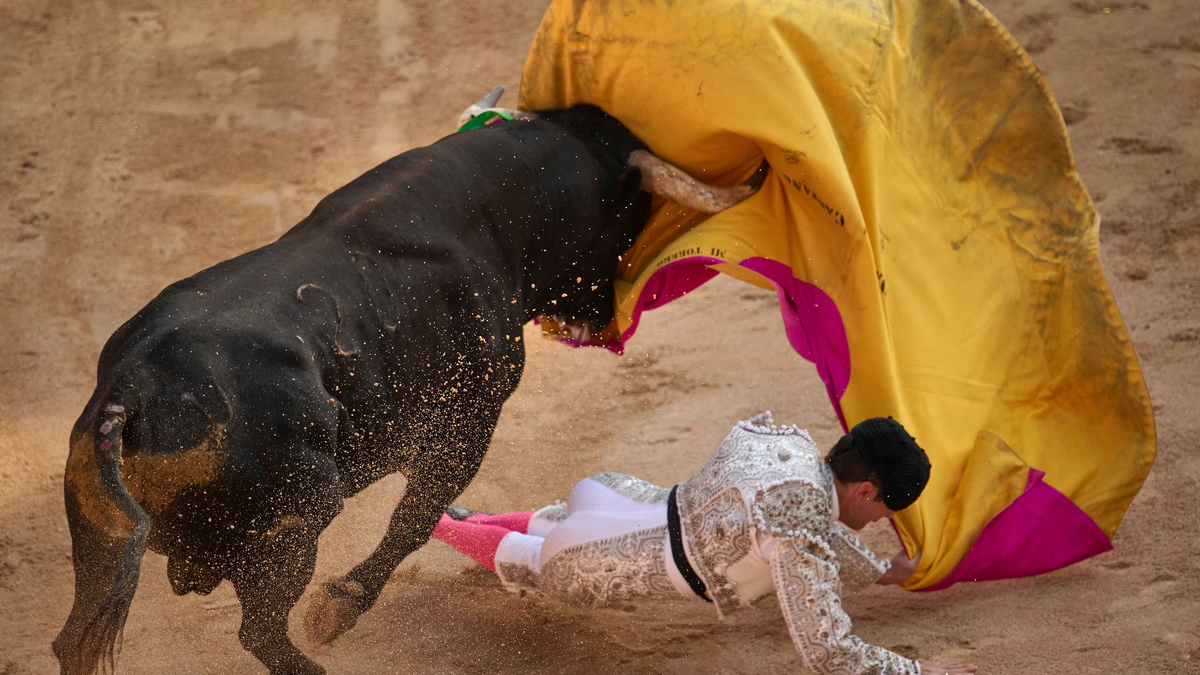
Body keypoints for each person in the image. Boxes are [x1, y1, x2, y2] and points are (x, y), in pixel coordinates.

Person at [431, 412, 979, 675]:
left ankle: (466, 516)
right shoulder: (799, 529)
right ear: (865, 489)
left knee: (548, 528)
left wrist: (884, 570)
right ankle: (431, 524)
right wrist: (923, 671)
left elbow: (814, 532)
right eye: (888, 506)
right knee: (536, 559)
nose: (885, 518)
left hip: (613, 494)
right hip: (592, 562)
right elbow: (830, 653)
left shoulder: (783, 441)